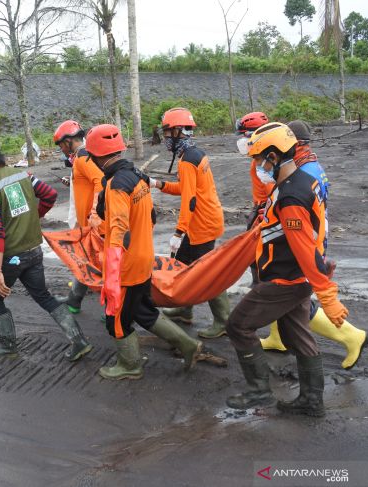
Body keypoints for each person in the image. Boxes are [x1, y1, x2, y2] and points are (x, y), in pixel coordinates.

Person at [225, 122, 349, 417]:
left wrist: (328, 296)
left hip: (285, 278)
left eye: (258, 158)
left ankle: (259, 391)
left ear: (273, 156)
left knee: (238, 325)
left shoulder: (292, 195)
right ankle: (311, 401)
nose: (256, 165)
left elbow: (304, 249)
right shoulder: (299, 181)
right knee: (297, 336)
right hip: (296, 277)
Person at [88, 124, 203, 380]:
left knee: (116, 319)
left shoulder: (117, 185)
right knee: (143, 311)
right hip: (143, 258)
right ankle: (188, 345)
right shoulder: (137, 175)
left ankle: (130, 365)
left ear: (97, 156)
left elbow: (118, 230)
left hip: (126, 267)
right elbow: (149, 217)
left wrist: (112, 280)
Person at [255, 120, 368, 369]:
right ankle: (277, 338)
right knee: (279, 292)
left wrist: (319, 266)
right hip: (303, 244)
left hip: (302, 248)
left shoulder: (302, 175)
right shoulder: (310, 167)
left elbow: (303, 220)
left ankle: (352, 336)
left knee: (295, 303)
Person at [0, 135, 92, 361]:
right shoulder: (23, 174)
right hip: (34, 251)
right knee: (44, 296)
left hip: (11, 258)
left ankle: (7, 345)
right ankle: (79, 340)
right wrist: (35, 217)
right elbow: (50, 194)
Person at [151, 108, 230, 339]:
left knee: (207, 274)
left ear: (177, 131)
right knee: (184, 265)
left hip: (202, 224)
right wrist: (158, 184)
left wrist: (178, 232)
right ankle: (185, 309)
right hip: (206, 219)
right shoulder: (195, 153)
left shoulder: (187, 161)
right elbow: (187, 190)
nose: (165, 138)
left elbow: (189, 201)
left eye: (167, 133)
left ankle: (224, 320)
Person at [53, 120, 104, 313]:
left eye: (61, 145)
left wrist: (94, 212)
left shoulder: (82, 157)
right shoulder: (84, 156)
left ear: (68, 141)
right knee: (85, 260)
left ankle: (112, 311)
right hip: (86, 221)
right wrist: (72, 181)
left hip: (92, 222)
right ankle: (74, 301)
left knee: (100, 265)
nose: (61, 150)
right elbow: (88, 182)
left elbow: (101, 182)